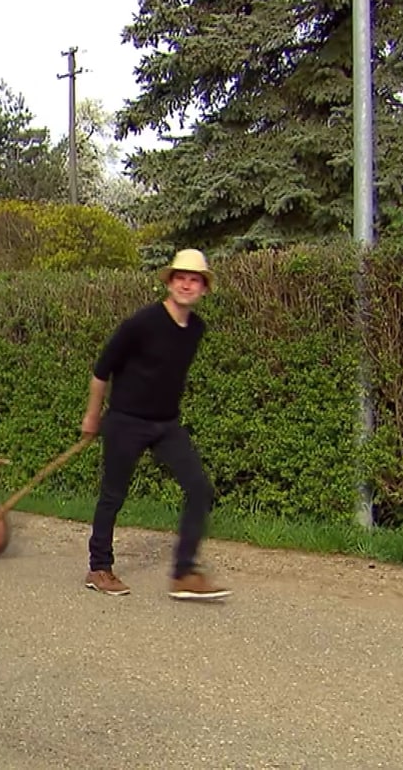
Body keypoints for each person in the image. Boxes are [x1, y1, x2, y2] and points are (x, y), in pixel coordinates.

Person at [81, 249, 230, 601]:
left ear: (204, 288)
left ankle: (184, 573)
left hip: (166, 425)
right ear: (170, 282)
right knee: (113, 495)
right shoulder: (141, 323)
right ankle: (99, 567)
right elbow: (102, 371)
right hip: (125, 421)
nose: (187, 284)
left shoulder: (196, 329)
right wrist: (92, 416)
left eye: (194, 280)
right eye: (181, 277)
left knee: (199, 488)